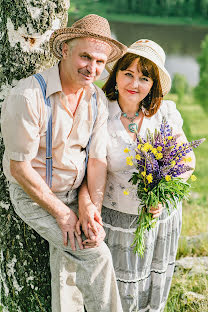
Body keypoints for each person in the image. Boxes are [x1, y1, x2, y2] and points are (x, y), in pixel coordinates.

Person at [1, 14, 127, 312]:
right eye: (86, 56)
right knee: (94, 253)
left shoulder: (96, 99)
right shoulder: (29, 96)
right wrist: (62, 213)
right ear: (65, 49)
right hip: (34, 195)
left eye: (99, 61)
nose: (93, 68)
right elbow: (19, 168)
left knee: (67, 265)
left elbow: (95, 161)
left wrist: (89, 207)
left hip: (76, 191)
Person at [78, 39, 195, 311]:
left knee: (151, 285)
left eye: (144, 78)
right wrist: (92, 209)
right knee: (115, 291)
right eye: (128, 73)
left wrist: (162, 196)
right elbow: (92, 168)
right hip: (117, 219)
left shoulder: (165, 113)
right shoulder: (99, 112)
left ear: (153, 85)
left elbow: (187, 160)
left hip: (159, 219)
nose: (134, 83)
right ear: (116, 74)